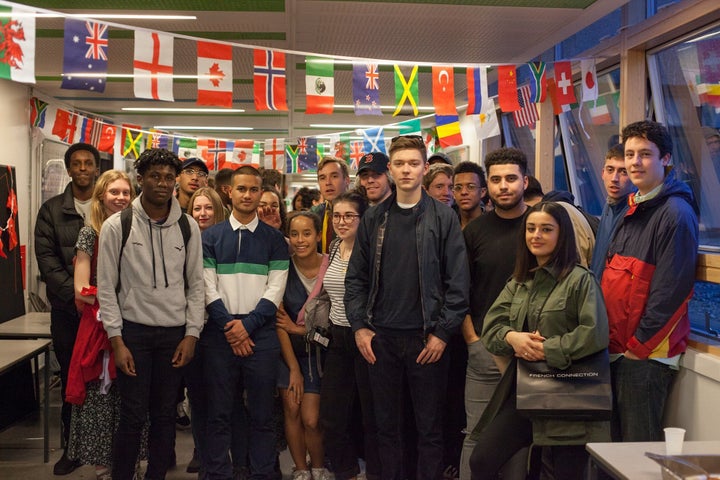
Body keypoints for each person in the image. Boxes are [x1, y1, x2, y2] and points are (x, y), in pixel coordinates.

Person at [345, 135, 469, 480]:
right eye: (399, 164)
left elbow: (458, 285)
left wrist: (443, 333)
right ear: (390, 169)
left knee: (429, 430)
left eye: (413, 163)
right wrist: (360, 326)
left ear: (424, 168)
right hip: (381, 340)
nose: (406, 170)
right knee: (386, 428)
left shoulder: (443, 218)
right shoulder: (373, 219)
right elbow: (355, 279)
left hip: (426, 340)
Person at [469, 201, 610, 480]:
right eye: (531, 229)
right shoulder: (520, 281)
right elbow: (492, 326)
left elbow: (595, 334)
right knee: (482, 459)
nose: (536, 235)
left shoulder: (580, 280)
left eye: (546, 229)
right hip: (527, 391)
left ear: (562, 235)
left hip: (571, 395)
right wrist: (513, 338)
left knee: (564, 474)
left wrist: (546, 349)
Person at [96, 148, 204, 480]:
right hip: (134, 334)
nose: (162, 183)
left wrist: (191, 334)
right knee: (131, 415)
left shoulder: (188, 227)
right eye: (155, 177)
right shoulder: (118, 225)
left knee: (163, 415)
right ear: (140, 179)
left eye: (169, 177)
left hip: (174, 335)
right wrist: (117, 340)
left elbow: (196, 285)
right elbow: (106, 287)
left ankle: (156, 474)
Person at [601, 120, 699, 442]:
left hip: (645, 357)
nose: (634, 162)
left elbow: (672, 291)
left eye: (645, 154)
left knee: (638, 452)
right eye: (630, 154)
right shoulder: (634, 207)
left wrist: (636, 349)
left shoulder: (675, 213)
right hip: (619, 351)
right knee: (616, 452)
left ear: (666, 159)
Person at [201, 166, 290, 479]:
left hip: (260, 335)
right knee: (219, 413)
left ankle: (263, 472)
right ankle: (217, 472)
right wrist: (231, 327)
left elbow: (275, 289)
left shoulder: (276, 240)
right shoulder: (210, 237)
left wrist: (247, 326)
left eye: (253, 190)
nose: (248, 195)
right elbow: (207, 287)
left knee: (263, 414)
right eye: (242, 189)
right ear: (230, 192)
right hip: (220, 334)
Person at [460, 147, 529, 480]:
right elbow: (458, 291)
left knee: (522, 437)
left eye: (511, 179)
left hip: (532, 351)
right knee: (477, 433)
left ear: (524, 181)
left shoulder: (541, 226)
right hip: (484, 350)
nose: (504, 186)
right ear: (487, 184)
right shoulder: (474, 232)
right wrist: (472, 339)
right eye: (497, 179)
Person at [34, 141, 100, 475]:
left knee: (107, 381)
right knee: (73, 378)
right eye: (78, 164)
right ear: (69, 168)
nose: (83, 169)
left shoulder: (111, 207)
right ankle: (71, 449)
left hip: (109, 315)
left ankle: (110, 446)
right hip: (69, 313)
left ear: (96, 168)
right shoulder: (51, 211)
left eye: (89, 163)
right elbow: (47, 262)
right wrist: (78, 298)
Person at [66, 170, 135, 480]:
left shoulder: (137, 231)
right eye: (114, 192)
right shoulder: (89, 233)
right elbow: (81, 287)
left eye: (125, 192)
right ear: (101, 197)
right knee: (100, 396)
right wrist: (111, 303)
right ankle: (103, 466)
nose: (120, 197)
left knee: (130, 396)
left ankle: (129, 462)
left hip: (134, 323)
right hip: (99, 326)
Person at [319, 191, 380, 480]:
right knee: (331, 416)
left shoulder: (372, 251)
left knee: (371, 414)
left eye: (349, 216)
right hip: (338, 338)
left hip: (368, 337)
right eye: (337, 216)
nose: (341, 222)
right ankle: (347, 471)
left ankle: (377, 470)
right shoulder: (333, 246)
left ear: (363, 218)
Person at [275, 211, 330, 480]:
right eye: (294, 233)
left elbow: (334, 322)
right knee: (292, 410)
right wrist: (293, 368)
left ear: (318, 234)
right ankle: (300, 469)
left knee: (312, 419)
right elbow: (279, 323)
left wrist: (299, 329)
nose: (300, 240)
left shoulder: (332, 268)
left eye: (306, 233)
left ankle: (319, 467)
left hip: (322, 357)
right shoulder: (282, 269)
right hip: (290, 356)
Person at [589, 144, 635, 281]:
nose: (614, 178)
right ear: (602, 173)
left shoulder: (635, 212)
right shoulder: (609, 206)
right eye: (610, 170)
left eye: (623, 172)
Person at [312, 157, 350, 253]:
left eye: (334, 176)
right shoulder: (314, 215)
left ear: (347, 180)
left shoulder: (362, 213)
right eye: (322, 178)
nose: (328, 183)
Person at [452, 162, 487, 229]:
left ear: (482, 192)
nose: (463, 192)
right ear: (453, 193)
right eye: (458, 188)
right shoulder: (448, 226)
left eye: (471, 187)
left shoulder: (493, 225)